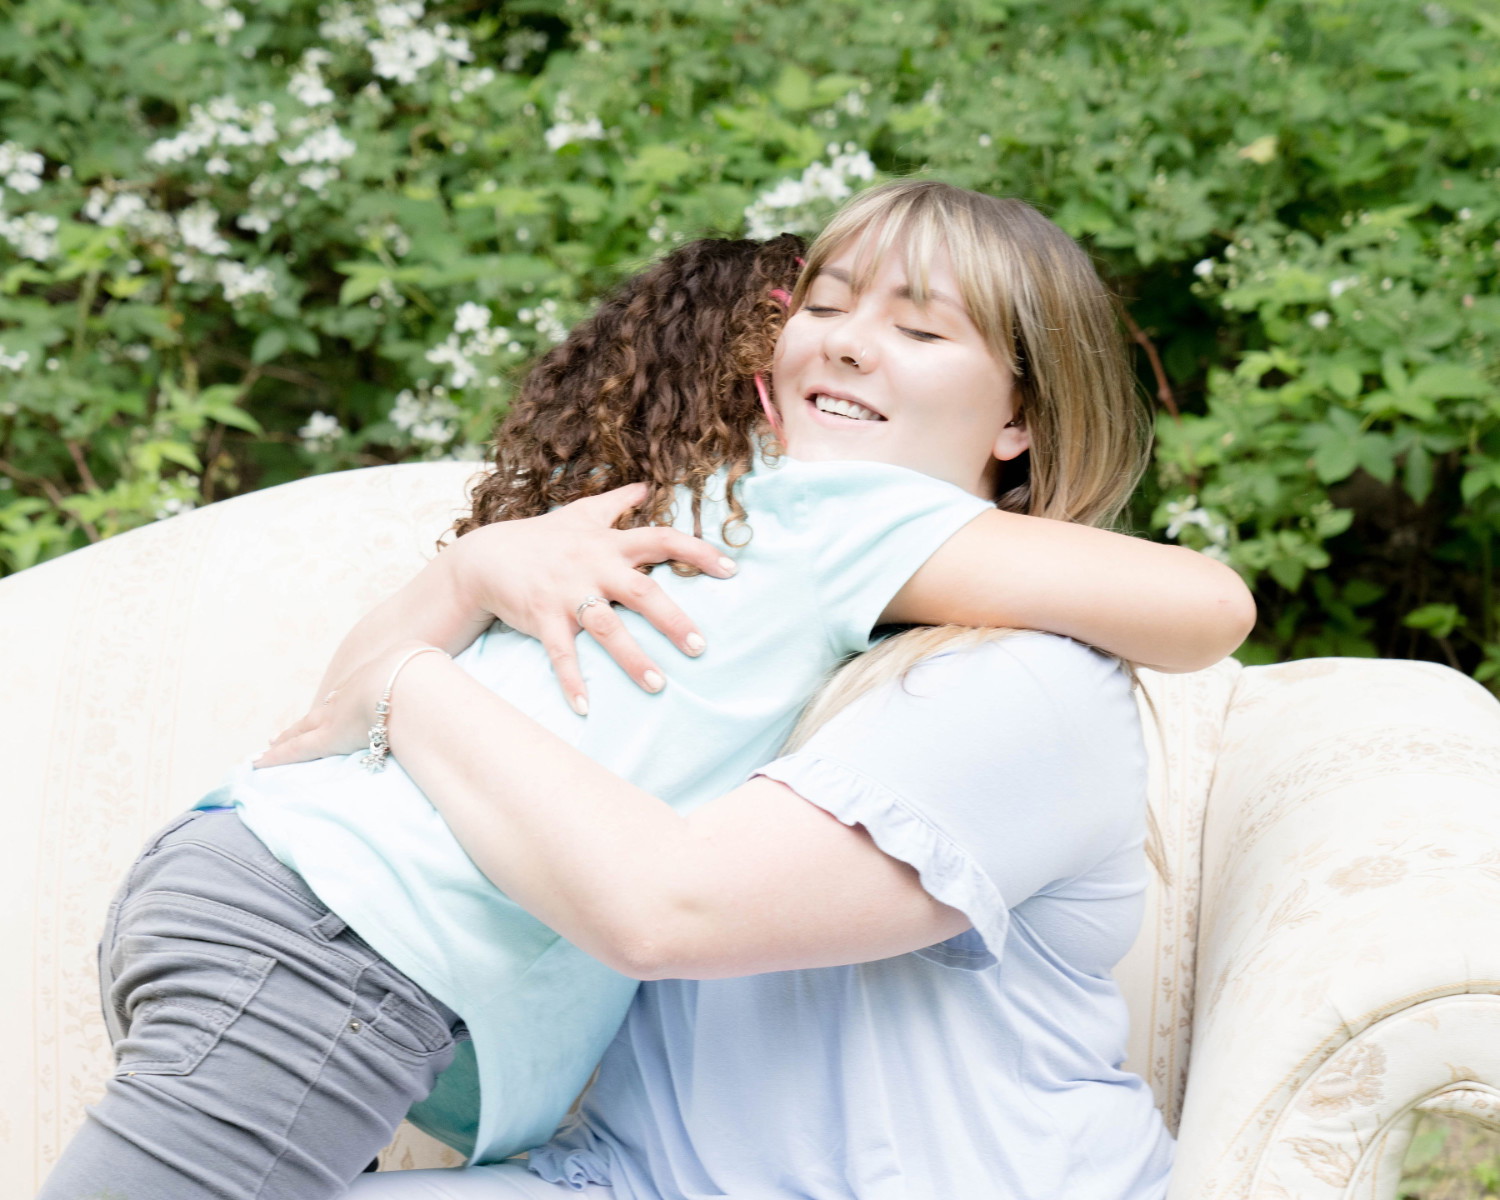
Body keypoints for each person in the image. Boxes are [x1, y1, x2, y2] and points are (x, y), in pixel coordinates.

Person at [37, 182, 1250, 1200]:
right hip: (331, 938)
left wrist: (430, 637)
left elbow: (1209, 608)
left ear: (1023, 418)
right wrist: (459, 585)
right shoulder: (790, 523)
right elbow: (352, 707)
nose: (842, 335)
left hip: (267, 895)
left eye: (921, 330)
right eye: (822, 304)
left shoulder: (858, 574)